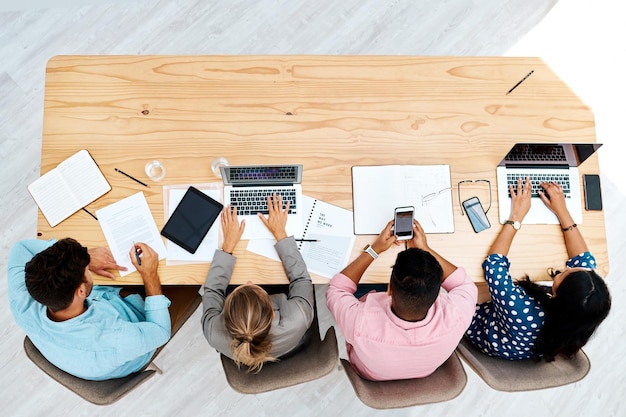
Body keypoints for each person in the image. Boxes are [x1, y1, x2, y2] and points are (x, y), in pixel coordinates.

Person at [466, 178, 611, 361]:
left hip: (481, 329)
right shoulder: (579, 316)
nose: (565, 270)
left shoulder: (522, 310)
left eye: (564, 275)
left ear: (557, 298)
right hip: (522, 340)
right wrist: (562, 210)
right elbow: (584, 260)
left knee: (460, 276)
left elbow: (493, 266)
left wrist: (516, 217)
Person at [326, 218, 478, 381]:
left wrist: (375, 249)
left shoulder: (360, 323)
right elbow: (463, 284)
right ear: (438, 294)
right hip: (422, 371)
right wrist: (425, 249)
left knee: (362, 287)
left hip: (371, 373)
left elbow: (337, 289)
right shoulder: (458, 316)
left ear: (389, 289)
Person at [8, 238, 172, 380]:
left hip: (100, 318)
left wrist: (84, 258)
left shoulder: (22, 301)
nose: (88, 266)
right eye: (87, 269)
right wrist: (150, 275)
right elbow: (161, 331)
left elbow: (21, 248)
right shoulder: (115, 338)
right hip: (135, 337)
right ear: (80, 291)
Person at [201, 194, 315, 372]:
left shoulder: (213, 331)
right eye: (253, 286)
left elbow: (213, 292)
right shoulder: (299, 315)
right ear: (273, 313)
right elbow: (301, 279)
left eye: (241, 287)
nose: (248, 281)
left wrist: (227, 247)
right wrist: (280, 233)